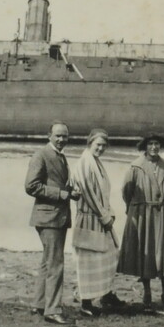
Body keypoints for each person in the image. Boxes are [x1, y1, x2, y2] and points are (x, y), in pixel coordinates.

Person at [23, 121, 77, 325]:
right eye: (58, 136)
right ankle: (53, 310)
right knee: (56, 264)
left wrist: (71, 193)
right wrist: (62, 194)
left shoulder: (60, 157)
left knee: (47, 262)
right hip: (48, 217)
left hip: (56, 216)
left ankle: (39, 304)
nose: (62, 139)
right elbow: (31, 186)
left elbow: (57, 185)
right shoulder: (41, 155)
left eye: (65, 136)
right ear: (49, 135)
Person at [119, 133, 164, 309]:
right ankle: (147, 291)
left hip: (162, 211)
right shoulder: (136, 166)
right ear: (145, 146)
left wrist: (159, 204)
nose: (154, 147)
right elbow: (126, 191)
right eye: (150, 144)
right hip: (142, 212)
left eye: (157, 143)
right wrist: (135, 207)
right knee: (145, 250)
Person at [72, 129, 121, 315]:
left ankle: (106, 294)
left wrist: (110, 212)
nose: (100, 148)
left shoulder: (96, 162)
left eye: (103, 146)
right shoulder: (84, 163)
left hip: (99, 217)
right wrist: (105, 217)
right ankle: (86, 303)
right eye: (97, 145)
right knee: (88, 261)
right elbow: (89, 194)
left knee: (110, 255)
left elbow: (103, 194)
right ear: (89, 143)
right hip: (89, 219)